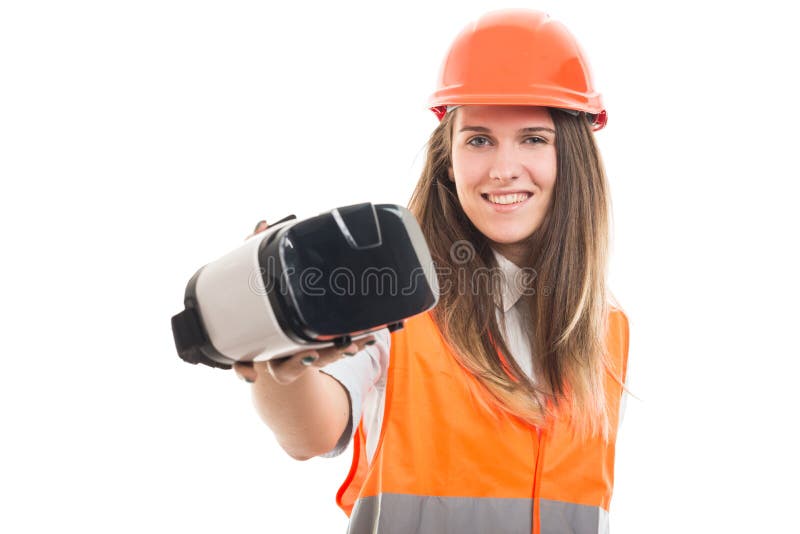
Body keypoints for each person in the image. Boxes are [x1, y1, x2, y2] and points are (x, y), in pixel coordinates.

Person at [235, 8, 630, 534]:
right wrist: (277, 354)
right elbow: (309, 432)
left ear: (574, 156)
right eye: (479, 139)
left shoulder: (608, 329)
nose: (503, 168)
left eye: (534, 138)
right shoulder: (393, 298)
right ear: (448, 157)